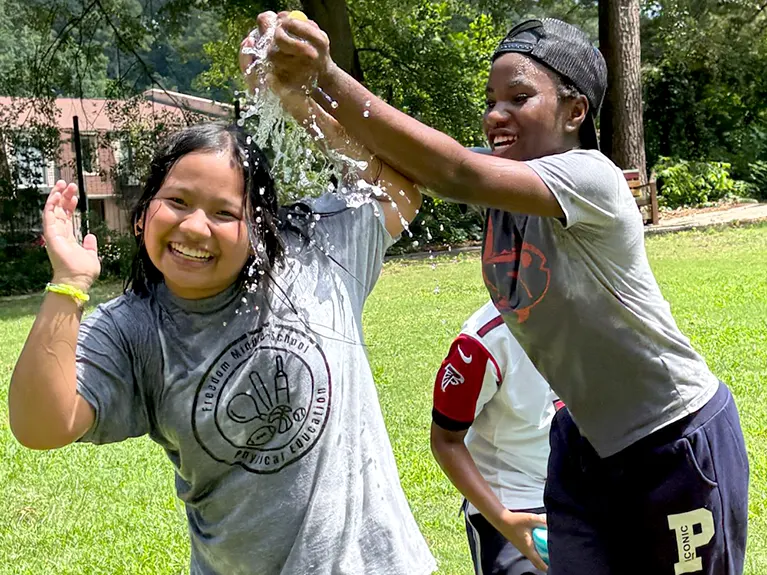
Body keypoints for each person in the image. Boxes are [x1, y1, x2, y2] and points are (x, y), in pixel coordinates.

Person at [259, 12, 750, 575]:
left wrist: (326, 74)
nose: (496, 116)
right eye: (491, 101)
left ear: (575, 110)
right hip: (585, 446)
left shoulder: (592, 180)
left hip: (670, 443)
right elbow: (377, 160)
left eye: (518, 98)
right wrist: (290, 92)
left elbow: (454, 171)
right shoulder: (505, 179)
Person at [8, 117, 437, 574]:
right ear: (142, 214)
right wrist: (68, 284)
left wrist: (298, 96)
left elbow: (401, 192)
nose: (195, 227)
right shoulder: (131, 329)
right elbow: (42, 427)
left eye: (225, 213)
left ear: (258, 227)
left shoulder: (315, 252)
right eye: (177, 201)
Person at [432, 300, 560, 574]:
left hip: (588, 491)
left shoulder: (608, 309)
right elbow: (446, 439)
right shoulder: (483, 342)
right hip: (514, 497)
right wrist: (505, 519)